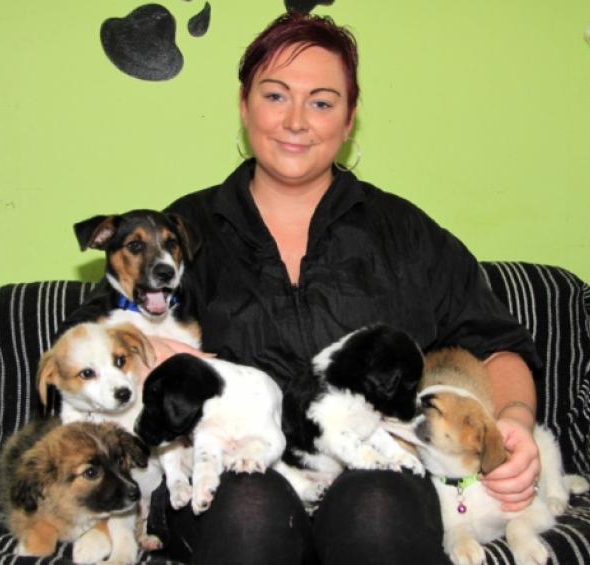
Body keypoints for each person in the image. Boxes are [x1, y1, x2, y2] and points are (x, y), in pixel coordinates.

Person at [148, 11, 542, 565]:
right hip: (227, 474)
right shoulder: (178, 234)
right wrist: (144, 352)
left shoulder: (404, 233)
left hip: (379, 471)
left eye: (323, 101)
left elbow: (497, 344)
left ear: (351, 117)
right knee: (249, 510)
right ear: (244, 104)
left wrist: (515, 424)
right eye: (276, 95)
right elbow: (96, 344)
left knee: (374, 505)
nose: (296, 121)